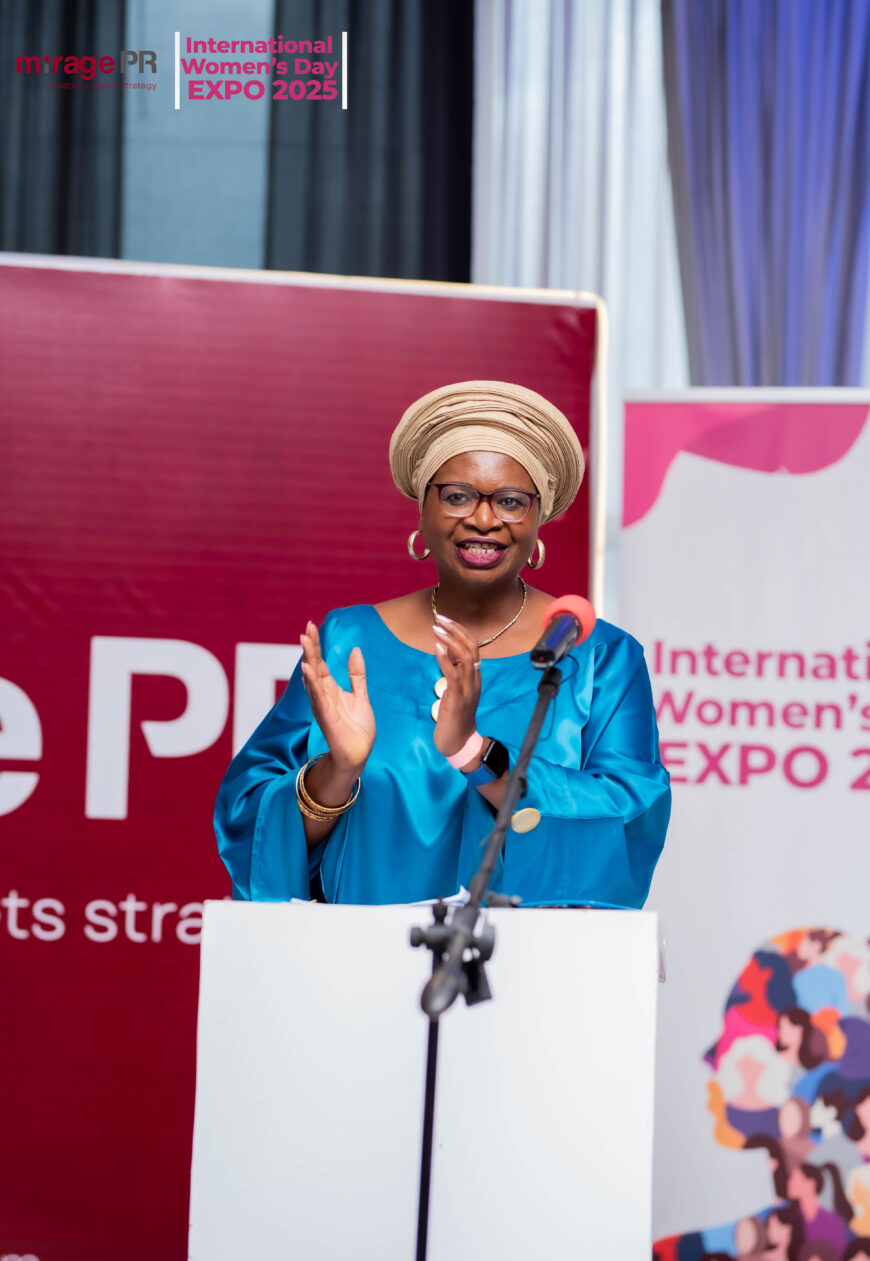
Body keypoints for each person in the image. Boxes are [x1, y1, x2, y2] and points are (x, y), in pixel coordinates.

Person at [215, 380, 671, 906]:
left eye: (511, 502)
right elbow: (250, 823)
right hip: (355, 948)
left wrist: (474, 752)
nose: (483, 519)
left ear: (538, 519)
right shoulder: (349, 641)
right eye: (457, 496)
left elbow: (627, 816)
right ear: (422, 510)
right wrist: (337, 771)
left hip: (526, 952)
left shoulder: (595, 655)